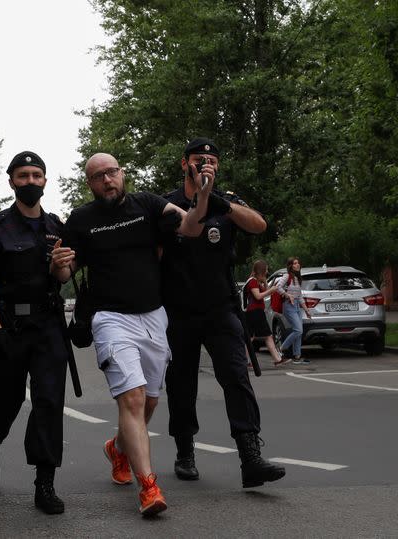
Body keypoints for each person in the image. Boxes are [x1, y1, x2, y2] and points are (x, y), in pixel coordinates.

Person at [51, 152, 211, 517]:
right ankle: (149, 488)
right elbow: (66, 271)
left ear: (122, 174)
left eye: (112, 173)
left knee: (150, 402)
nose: (107, 180)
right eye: (98, 177)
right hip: (111, 319)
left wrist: (202, 197)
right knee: (134, 400)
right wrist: (58, 267)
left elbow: (191, 228)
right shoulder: (81, 219)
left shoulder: (149, 205)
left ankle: (118, 448)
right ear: (89, 183)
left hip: (154, 316)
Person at [160, 137, 286, 489]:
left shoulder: (227, 201)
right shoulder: (167, 204)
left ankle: (250, 457)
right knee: (181, 384)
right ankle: (185, 450)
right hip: (179, 310)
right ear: (183, 163)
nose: (205, 164)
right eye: (198, 159)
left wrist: (221, 203)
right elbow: (185, 231)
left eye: (211, 159)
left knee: (236, 376)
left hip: (220, 307)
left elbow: (259, 225)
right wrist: (201, 200)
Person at [0, 151, 69, 514]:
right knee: (5, 400)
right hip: (8, 326)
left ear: (45, 181)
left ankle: (44, 483)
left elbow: (62, 277)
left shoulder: (56, 226)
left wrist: (61, 268)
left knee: (48, 401)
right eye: (23, 175)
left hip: (46, 326)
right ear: (11, 180)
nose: (30, 181)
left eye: (36, 175)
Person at [244, 260, 287, 366]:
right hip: (255, 312)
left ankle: (245, 361)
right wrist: (271, 289)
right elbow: (258, 296)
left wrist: (265, 282)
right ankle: (277, 359)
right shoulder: (253, 281)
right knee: (267, 336)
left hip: (253, 312)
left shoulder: (255, 281)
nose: (267, 271)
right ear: (261, 270)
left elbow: (266, 292)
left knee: (250, 337)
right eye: (266, 269)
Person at [277, 256, 312, 364]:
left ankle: (297, 357)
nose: (297, 265)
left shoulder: (297, 278)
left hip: (297, 306)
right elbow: (278, 287)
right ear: (290, 266)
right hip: (289, 306)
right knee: (298, 330)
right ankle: (281, 349)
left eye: (298, 263)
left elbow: (300, 296)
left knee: (299, 332)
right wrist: (288, 295)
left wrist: (306, 310)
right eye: (295, 263)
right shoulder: (287, 276)